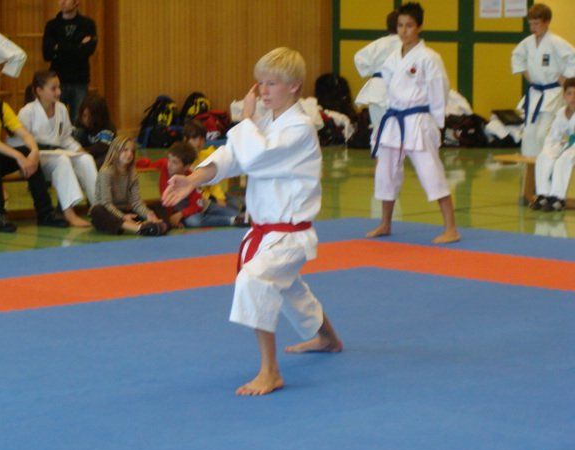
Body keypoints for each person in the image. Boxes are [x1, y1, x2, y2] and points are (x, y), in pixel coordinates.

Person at [163, 47, 343, 396]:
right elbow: (231, 157)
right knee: (289, 288)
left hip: (290, 235)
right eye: (260, 83)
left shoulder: (300, 128)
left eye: (271, 83)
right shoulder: (266, 124)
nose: (263, 90)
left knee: (255, 280)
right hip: (267, 232)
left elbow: (256, 155)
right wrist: (192, 179)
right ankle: (328, 339)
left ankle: (270, 371)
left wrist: (244, 120)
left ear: (294, 86)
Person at [366, 2, 460, 244]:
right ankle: (385, 223)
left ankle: (451, 228)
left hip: (419, 120)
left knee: (431, 171)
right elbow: (389, 88)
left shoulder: (430, 57)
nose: (404, 30)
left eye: (409, 25)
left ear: (419, 27)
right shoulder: (392, 58)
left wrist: (437, 124)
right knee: (386, 171)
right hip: (395, 118)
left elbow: (439, 90)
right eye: (400, 25)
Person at [0, 66, 67, 232]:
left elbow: (25, 134)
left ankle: (45, 213)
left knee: (27, 152)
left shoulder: (1, 107)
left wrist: (34, 152)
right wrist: (17, 155)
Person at [10, 70, 97, 227]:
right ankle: (69, 214)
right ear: (39, 91)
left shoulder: (61, 108)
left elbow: (65, 138)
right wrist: (25, 161)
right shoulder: (27, 112)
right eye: (53, 88)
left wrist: (79, 150)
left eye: (59, 88)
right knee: (62, 160)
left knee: (86, 159)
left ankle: (99, 207)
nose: (59, 92)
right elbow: (17, 143)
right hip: (34, 160)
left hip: (55, 154)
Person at [512, 3, 575, 161]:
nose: (533, 28)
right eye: (531, 24)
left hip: (552, 93)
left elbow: (573, 58)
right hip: (535, 92)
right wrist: (526, 74)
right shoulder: (527, 43)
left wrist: (566, 78)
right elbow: (517, 56)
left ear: (547, 22)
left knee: (543, 133)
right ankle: (529, 168)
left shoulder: (556, 42)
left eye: (536, 24)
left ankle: (547, 165)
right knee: (528, 133)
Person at [144, 141, 242, 229]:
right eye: (169, 159)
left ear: (186, 167)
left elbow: (197, 205)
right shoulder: (165, 165)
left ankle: (235, 214)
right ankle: (230, 220)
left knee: (235, 214)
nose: (169, 164)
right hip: (187, 214)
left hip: (201, 206)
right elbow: (148, 164)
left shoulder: (191, 178)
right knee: (194, 221)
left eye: (175, 162)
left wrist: (180, 214)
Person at [90, 136, 167, 236]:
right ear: (115, 151)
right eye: (125, 150)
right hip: (109, 212)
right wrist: (123, 217)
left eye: (132, 151)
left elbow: (136, 202)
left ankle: (154, 224)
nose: (130, 154)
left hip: (125, 211)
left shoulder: (132, 173)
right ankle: (140, 228)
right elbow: (106, 203)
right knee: (97, 211)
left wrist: (148, 214)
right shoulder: (106, 172)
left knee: (158, 206)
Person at [43, 0, 97, 123]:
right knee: (55, 120)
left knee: (78, 121)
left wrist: (59, 47)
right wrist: (78, 45)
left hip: (80, 80)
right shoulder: (52, 25)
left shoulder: (87, 24)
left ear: (76, 2)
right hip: (57, 81)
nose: (62, 2)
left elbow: (88, 51)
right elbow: (47, 54)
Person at [532, 77, 575, 212]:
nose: (573, 97)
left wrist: (566, 147)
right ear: (564, 96)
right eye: (569, 93)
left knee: (564, 159)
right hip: (567, 144)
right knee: (544, 156)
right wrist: (551, 149)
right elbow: (553, 136)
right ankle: (543, 194)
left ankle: (558, 198)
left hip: (572, 148)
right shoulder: (561, 113)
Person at [354, 9, 401, 131]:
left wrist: (372, 70)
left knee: (378, 129)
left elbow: (359, 58)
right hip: (399, 87)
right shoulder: (408, 45)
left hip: (377, 88)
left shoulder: (379, 43)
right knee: (399, 130)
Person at [184, 119, 243, 212]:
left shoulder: (206, 155)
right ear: (186, 139)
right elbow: (196, 191)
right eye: (194, 139)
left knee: (240, 203)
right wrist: (215, 199)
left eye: (201, 139)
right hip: (200, 199)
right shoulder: (184, 159)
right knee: (233, 212)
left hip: (212, 195)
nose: (198, 143)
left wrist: (220, 197)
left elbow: (213, 183)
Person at [73, 92, 115, 169]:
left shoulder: (108, 128)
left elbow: (101, 147)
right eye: (84, 115)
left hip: (102, 157)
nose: (85, 119)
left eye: (89, 117)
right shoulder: (80, 125)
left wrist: (83, 151)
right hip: (85, 154)